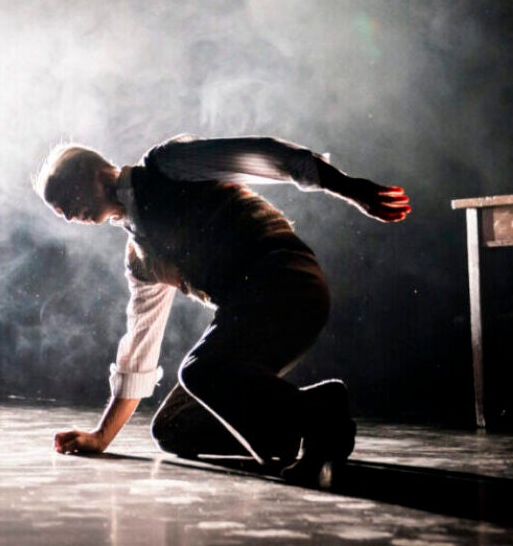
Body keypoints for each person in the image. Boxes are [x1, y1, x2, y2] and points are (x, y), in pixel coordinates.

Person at [33, 135, 410, 480]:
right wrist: (101, 437)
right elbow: (140, 347)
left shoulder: (166, 165)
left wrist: (348, 188)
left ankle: (319, 418)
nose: (66, 215)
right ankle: (295, 423)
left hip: (289, 281)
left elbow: (264, 155)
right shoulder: (140, 258)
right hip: (247, 314)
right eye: (58, 210)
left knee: (199, 371)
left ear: (94, 173)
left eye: (64, 197)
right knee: (174, 427)